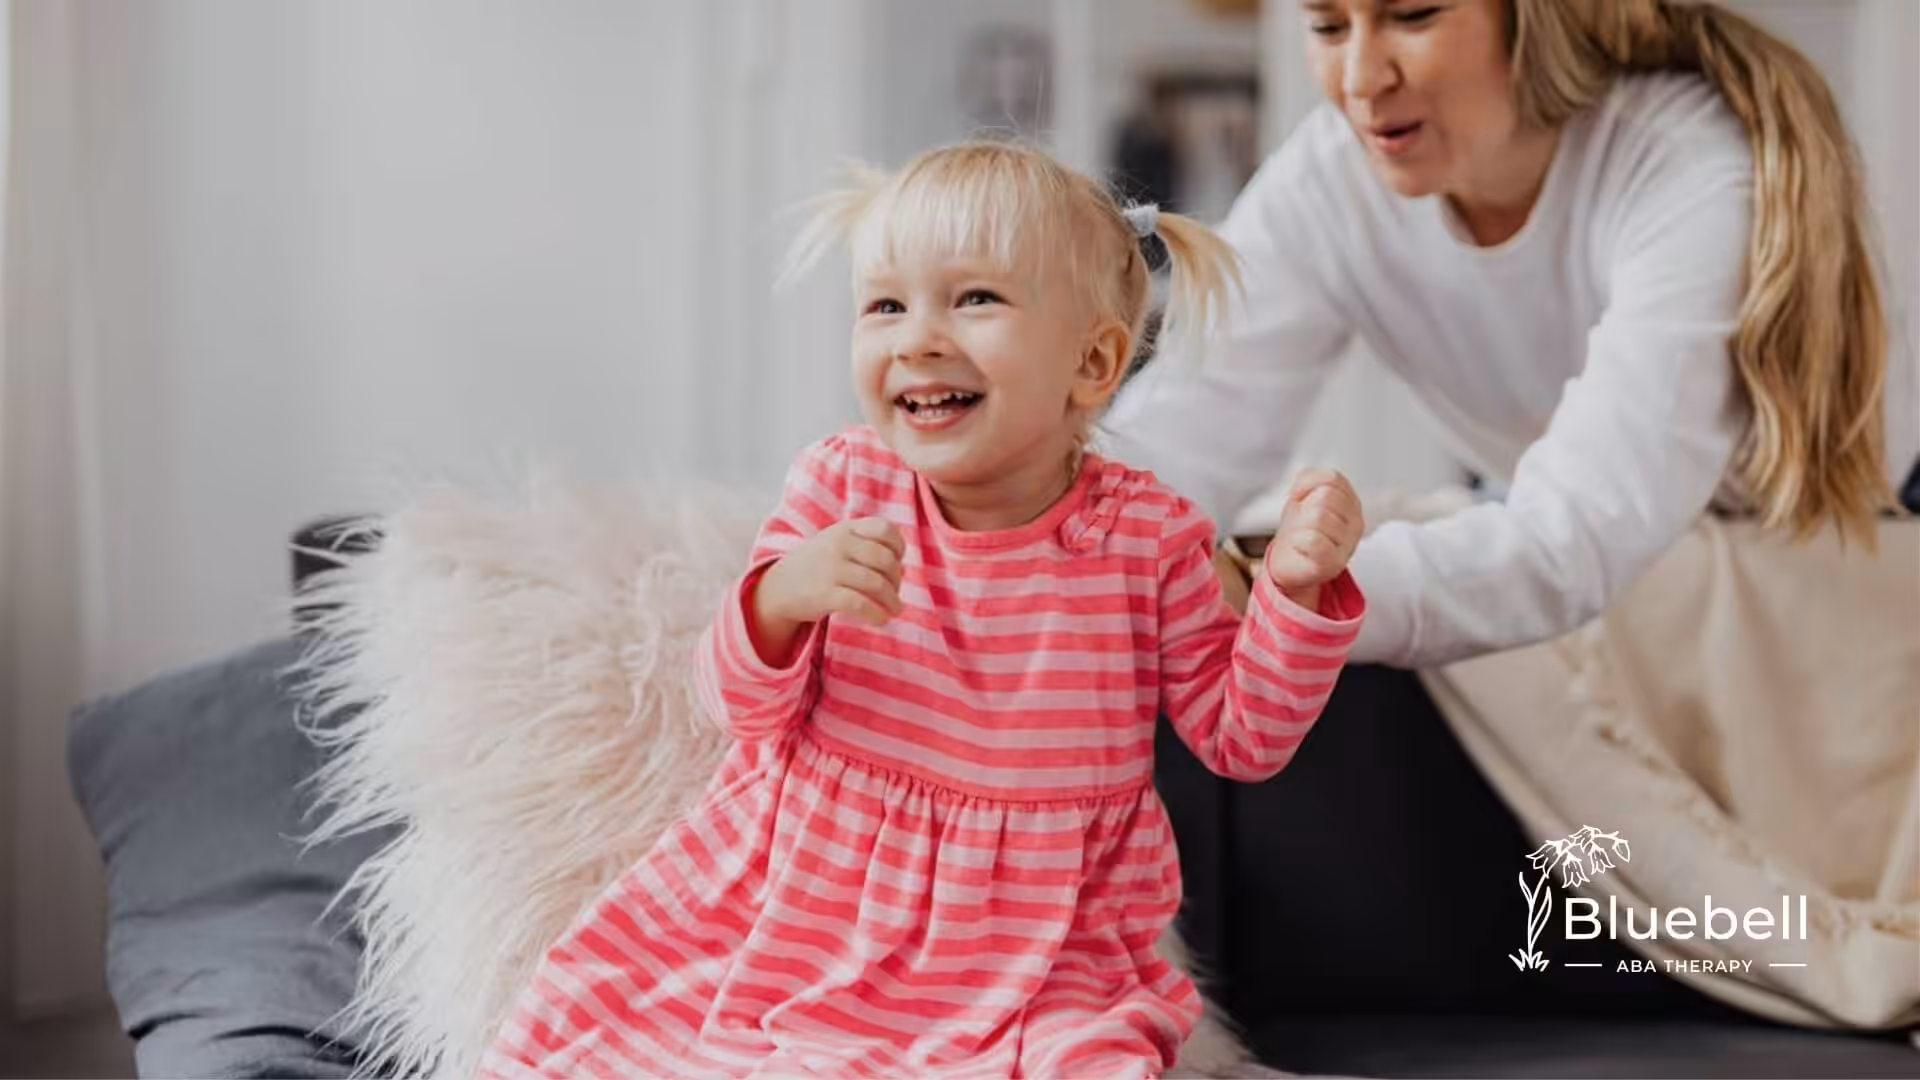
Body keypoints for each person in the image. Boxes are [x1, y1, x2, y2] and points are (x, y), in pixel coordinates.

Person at [1098, 0, 1913, 1028]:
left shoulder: (1684, 164)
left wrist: (1291, 598)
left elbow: (1580, 528)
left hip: (1826, 565)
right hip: (1601, 552)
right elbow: (1176, 443)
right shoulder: (1329, 179)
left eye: (1412, 15)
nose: (1360, 75)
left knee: (1338, 542)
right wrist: (1021, 552)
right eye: (1327, 24)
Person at [479, 140, 1368, 1079]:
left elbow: (1242, 738)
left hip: (1046, 959)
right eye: (885, 306)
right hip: (817, 924)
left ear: (1095, 361)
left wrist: (1297, 596)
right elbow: (738, 705)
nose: (917, 338)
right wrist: (781, 598)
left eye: (974, 299)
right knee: (665, 1046)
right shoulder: (842, 487)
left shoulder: (1146, 540)